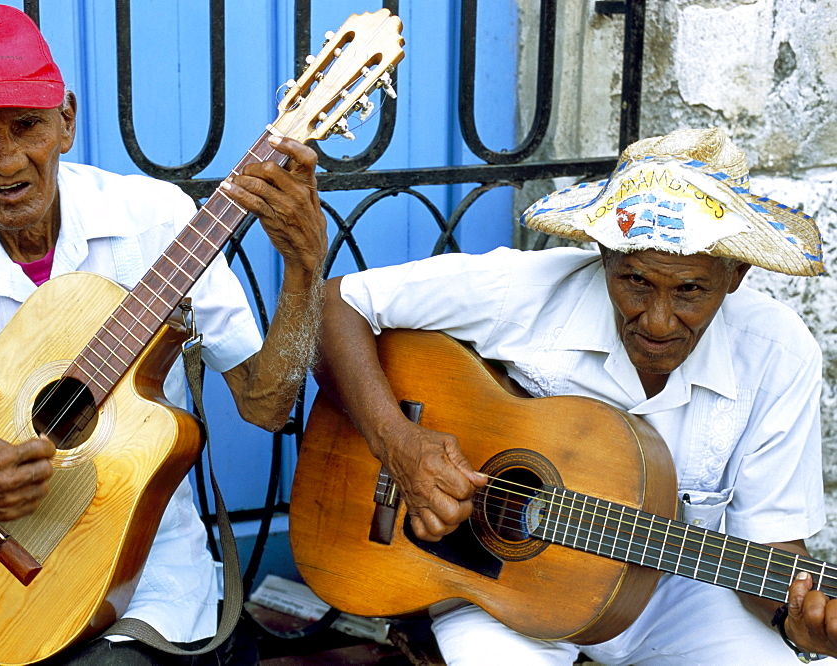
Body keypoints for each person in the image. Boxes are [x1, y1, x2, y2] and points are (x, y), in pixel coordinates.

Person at [0, 4, 326, 665]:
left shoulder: (158, 224)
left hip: (142, 581)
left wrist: (302, 269)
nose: (7, 160)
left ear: (66, 121)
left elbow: (268, 406)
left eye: (27, 126)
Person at [315, 127, 837, 664]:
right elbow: (337, 304)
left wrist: (797, 624)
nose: (657, 321)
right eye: (635, 281)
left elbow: (771, 548)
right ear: (604, 252)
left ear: (736, 275)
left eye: (689, 290)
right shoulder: (527, 289)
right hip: (500, 593)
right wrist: (397, 443)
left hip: (671, 597)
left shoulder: (778, 354)